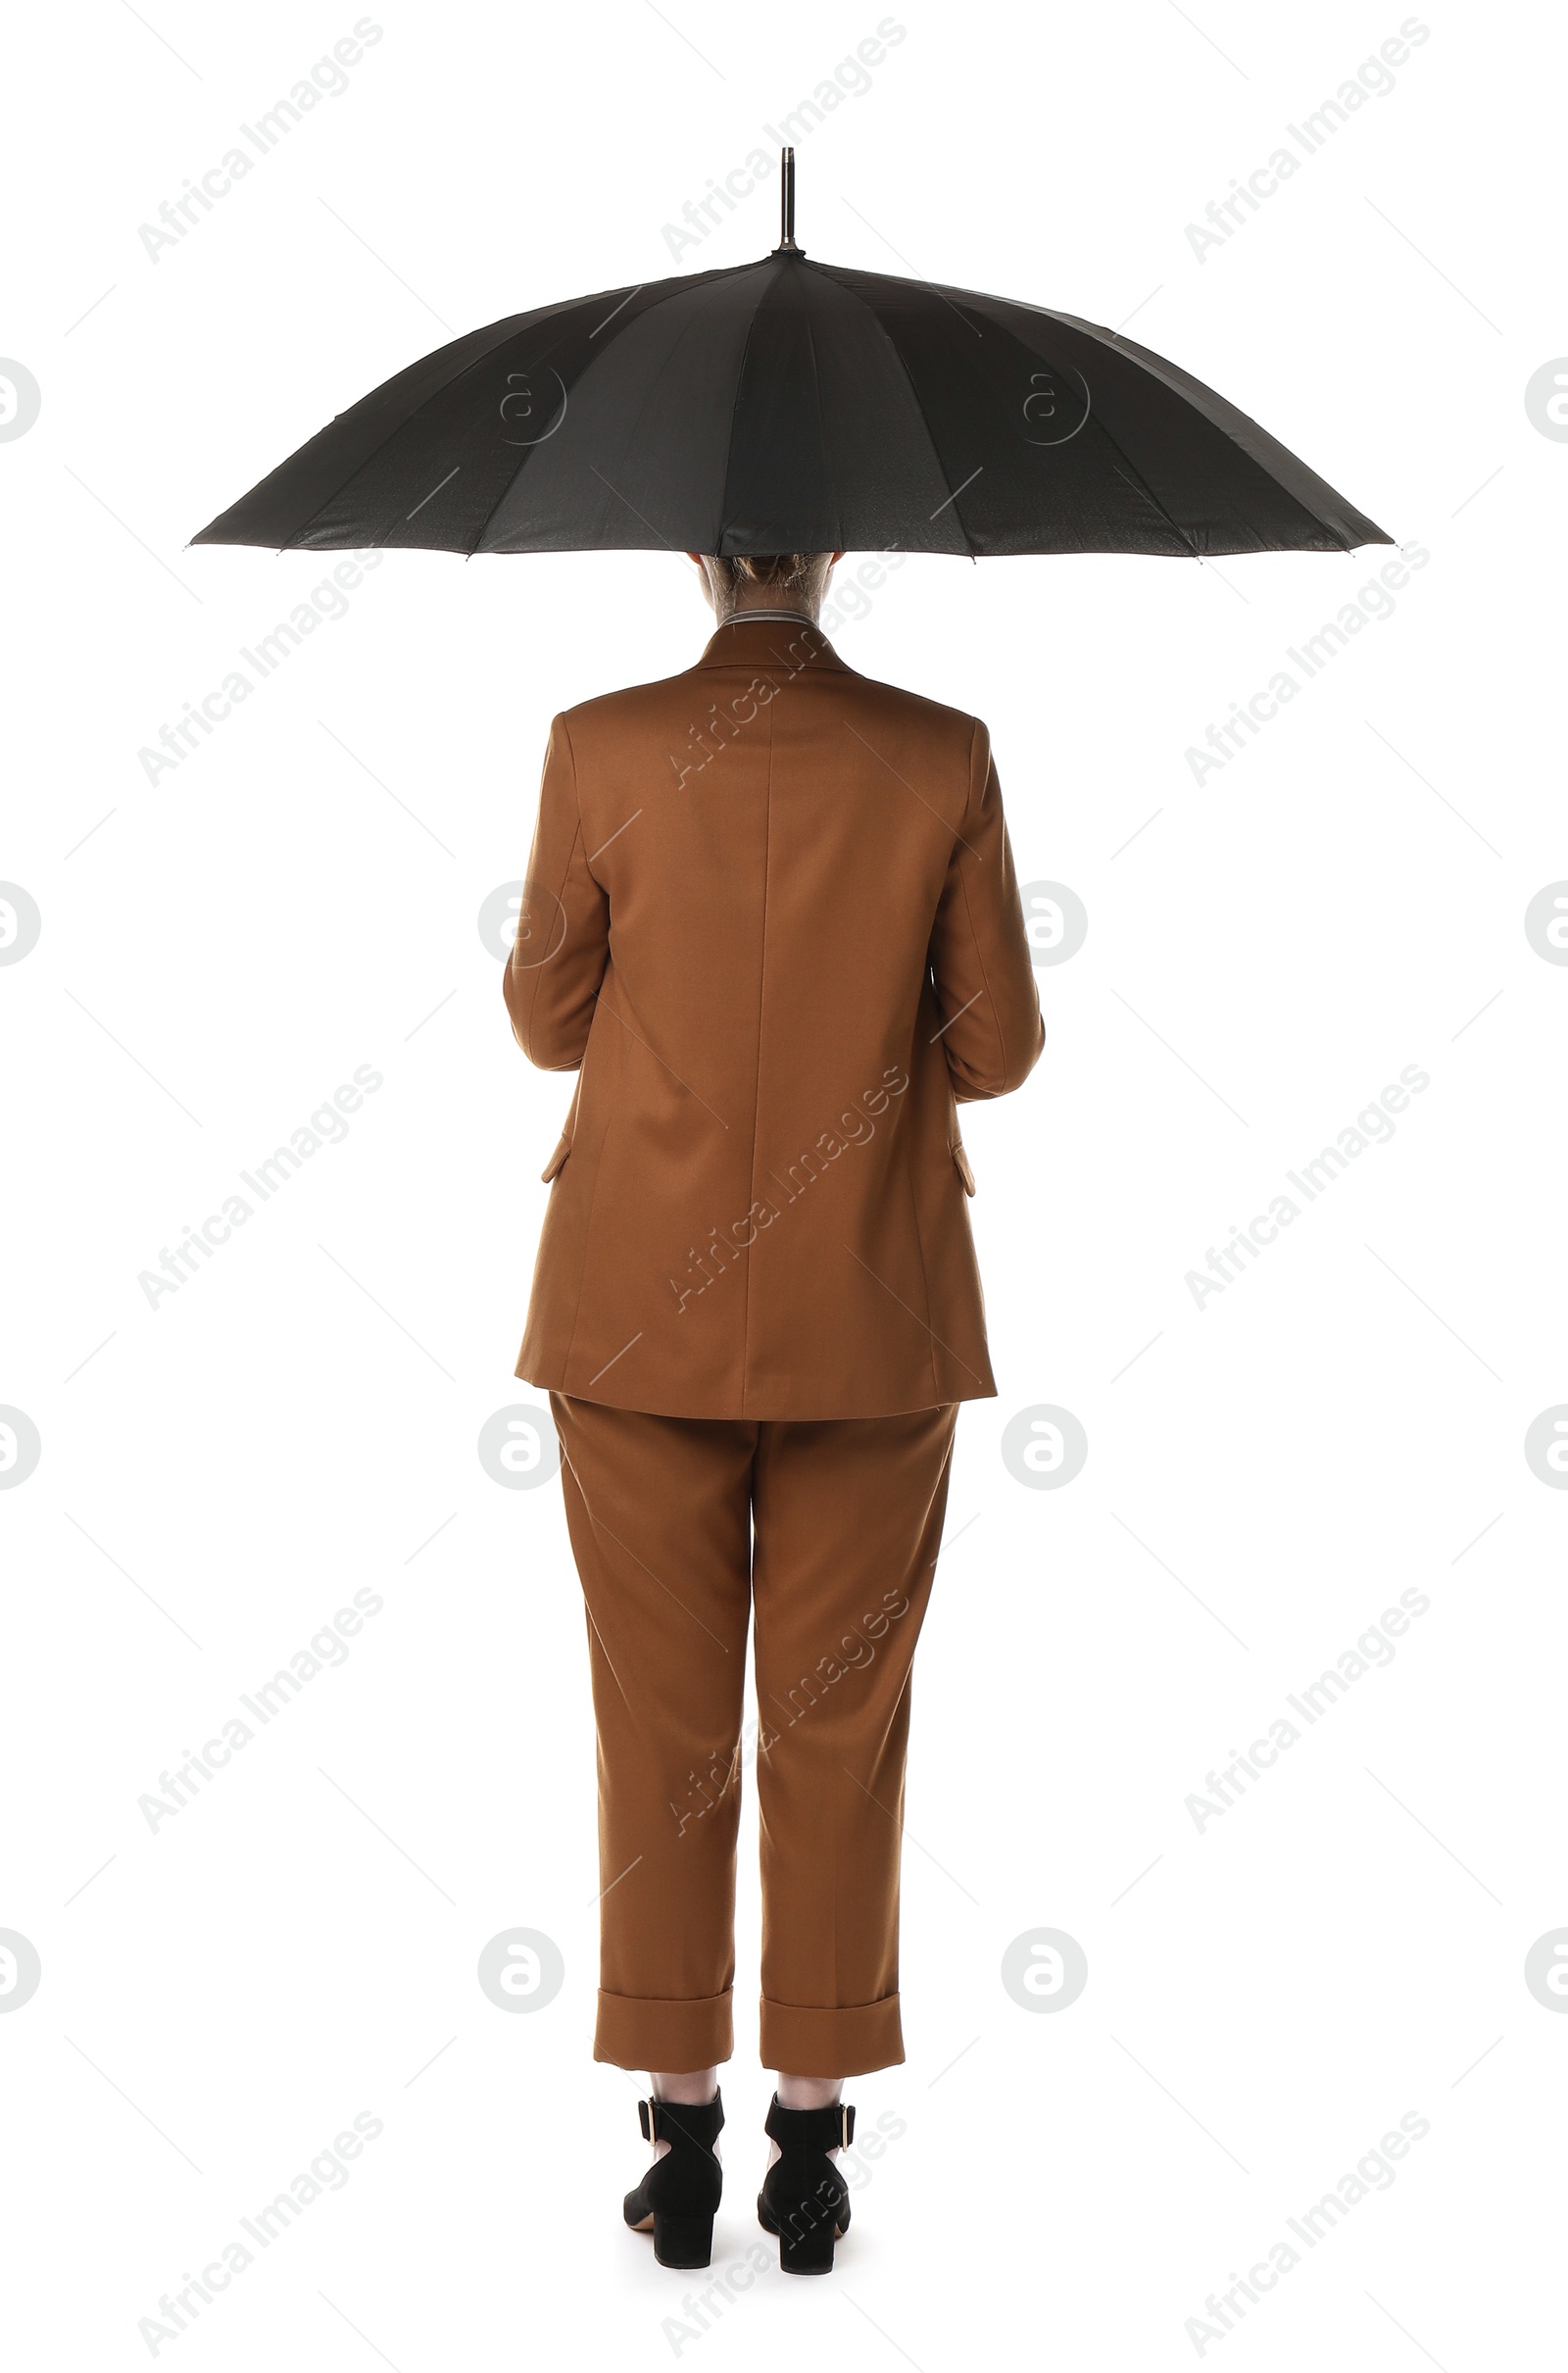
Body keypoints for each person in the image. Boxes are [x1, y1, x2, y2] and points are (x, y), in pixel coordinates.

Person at [504, 548, 1043, 2274]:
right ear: (832, 556)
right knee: (839, 1727)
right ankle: (811, 2145)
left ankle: (679, 2146)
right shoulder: (942, 752)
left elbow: (541, 1017)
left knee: (658, 1733)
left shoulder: (596, 741)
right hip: (869, 1307)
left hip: (632, 1307)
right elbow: (1004, 1043)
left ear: (700, 555)